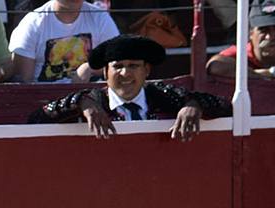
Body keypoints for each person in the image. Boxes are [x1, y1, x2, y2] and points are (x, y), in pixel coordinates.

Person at [32, 35, 231, 139]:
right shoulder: (92, 100)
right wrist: (80, 103)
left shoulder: (162, 95)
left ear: (146, 70)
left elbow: (225, 106)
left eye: (133, 66)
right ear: (105, 73)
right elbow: (37, 119)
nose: (125, 74)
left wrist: (194, 105)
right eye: (117, 66)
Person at [205, 0, 275, 80]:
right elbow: (215, 66)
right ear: (250, 32)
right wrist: (257, 75)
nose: (270, 36)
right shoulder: (242, 52)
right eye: (263, 30)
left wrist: (273, 72)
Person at [9, 0, 118, 83]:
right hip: (44, 103)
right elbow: (23, 81)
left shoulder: (100, 18)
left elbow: (119, 61)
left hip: (90, 98)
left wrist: (91, 68)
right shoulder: (32, 23)